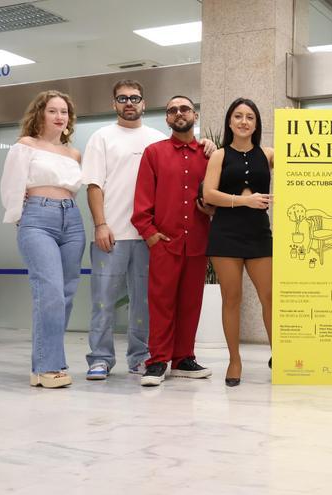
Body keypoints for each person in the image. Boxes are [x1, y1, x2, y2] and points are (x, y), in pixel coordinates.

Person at [83, 80, 215, 381]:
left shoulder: (166, 142)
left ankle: (153, 358)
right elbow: (94, 185)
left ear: (144, 103)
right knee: (105, 300)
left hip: (172, 242)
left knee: (147, 305)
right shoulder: (107, 138)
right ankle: (101, 359)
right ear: (115, 103)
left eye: (135, 98)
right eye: (122, 98)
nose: (129, 103)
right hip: (119, 233)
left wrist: (210, 146)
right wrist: (104, 224)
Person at [0, 90, 84, 388]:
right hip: (37, 218)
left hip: (72, 220)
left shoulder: (74, 154)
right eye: (53, 111)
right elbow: (11, 184)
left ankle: (45, 365)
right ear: (40, 114)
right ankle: (49, 366)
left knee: (66, 295)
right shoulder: (26, 146)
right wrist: (20, 216)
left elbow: (72, 190)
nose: (60, 117)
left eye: (64, 112)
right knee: (49, 291)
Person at [131, 95, 216, 387]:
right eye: (172, 110)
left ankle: (183, 359)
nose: (179, 113)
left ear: (195, 114)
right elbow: (142, 200)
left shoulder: (209, 155)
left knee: (191, 303)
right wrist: (151, 234)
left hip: (197, 243)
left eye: (184, 109)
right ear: (167, 118)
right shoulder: (153, 153)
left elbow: (214, 195)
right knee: (161, 303)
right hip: (164, 243)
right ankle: (157, 361)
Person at [202, 98, 274, 387]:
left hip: (259, 233)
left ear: (257, 124)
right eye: (238, 116)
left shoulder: (268, 154)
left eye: (250, 117)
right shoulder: (219, 155)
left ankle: (278, 353)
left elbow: (307, 158)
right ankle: (234, 361)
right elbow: (208, 194)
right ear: (230, 122)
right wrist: (245, 200)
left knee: (269, 297)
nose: (244, 121)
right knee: (231, 299)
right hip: (226, 234)